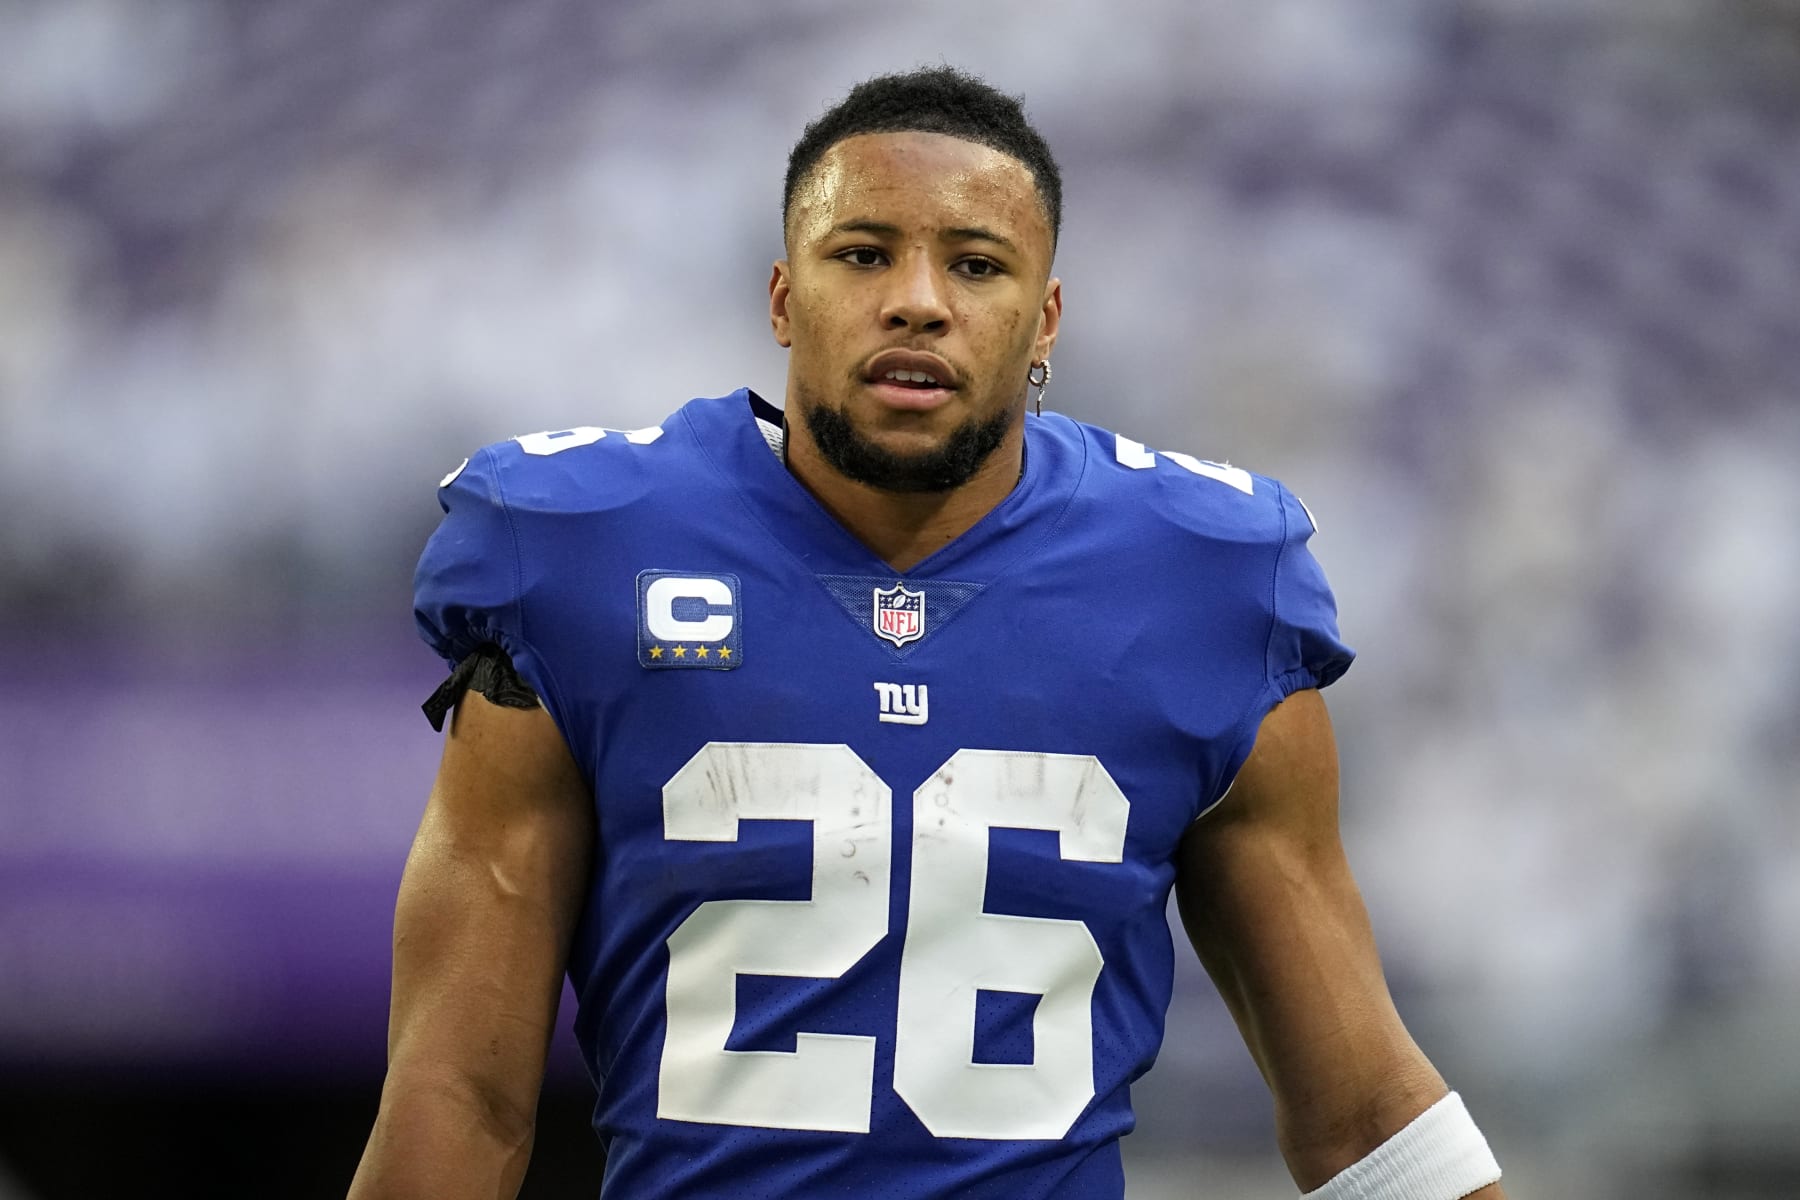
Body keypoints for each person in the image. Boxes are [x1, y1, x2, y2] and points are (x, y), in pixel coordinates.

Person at [349, 67, 1505, 1200]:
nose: (917, 300)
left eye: (976, 264)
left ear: (1045, 320)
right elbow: (461, 1094)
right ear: (782, 297)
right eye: (863, 254)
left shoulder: (1205, 580)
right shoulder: (583, 551)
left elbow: (1359, 1111)